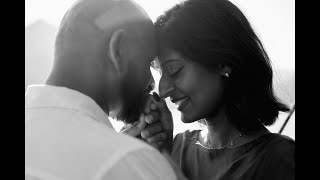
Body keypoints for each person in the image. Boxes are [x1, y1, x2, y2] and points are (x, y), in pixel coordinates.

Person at [25, 0, 184, 179]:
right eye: (147, 62)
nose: (152, 83)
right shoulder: (131, 161)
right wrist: (156, 158)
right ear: (118, 49)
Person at [142, 0, 295, 179]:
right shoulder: (177, 147)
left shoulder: (279, 159)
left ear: (222, 63)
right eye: (160, 72)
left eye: (174, 70)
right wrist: (159, 155)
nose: (163, 90)